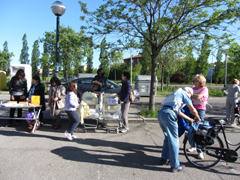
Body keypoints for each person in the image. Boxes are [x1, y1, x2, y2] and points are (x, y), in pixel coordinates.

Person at [158, 87, 200, 173]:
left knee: (167, 137)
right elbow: (192, 109)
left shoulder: (175, 94)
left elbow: (179, 112)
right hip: (169, 114)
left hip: (161, 113)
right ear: (188, 92)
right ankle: (175, 165)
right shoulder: (184, 93)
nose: (190, 98)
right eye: (190, 95)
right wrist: (197, 117)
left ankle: (164, 158)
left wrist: (190, 120)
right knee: (174, 139)